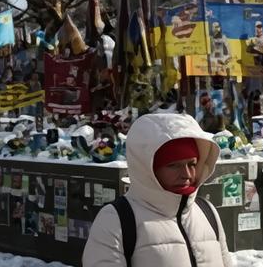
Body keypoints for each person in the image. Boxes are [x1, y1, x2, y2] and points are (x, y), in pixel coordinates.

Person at [83, 113, 232, 267]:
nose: (186, 174)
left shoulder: (207, 213)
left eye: (192, 164)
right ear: (148, 168)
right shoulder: (116, 220)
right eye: (173, 165)